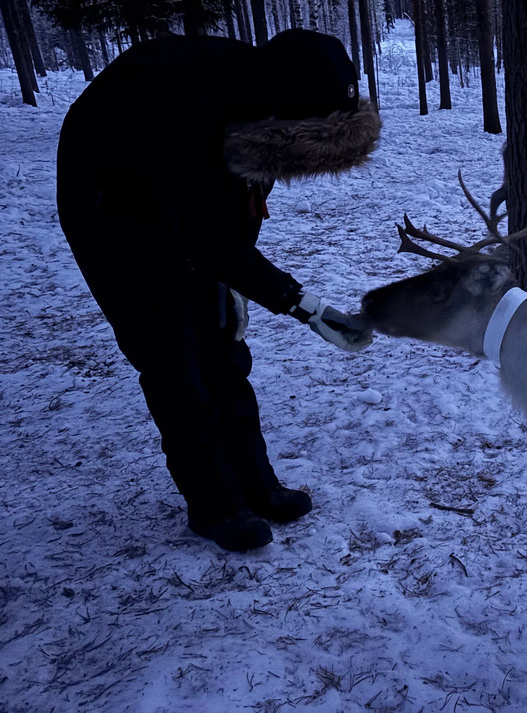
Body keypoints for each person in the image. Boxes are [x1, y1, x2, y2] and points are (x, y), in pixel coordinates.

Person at [56, 29, 380, 552]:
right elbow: (210, 237)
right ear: (281, 115)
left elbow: (237, 211)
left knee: (224, 351)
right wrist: (305, 306)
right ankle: (214, 506)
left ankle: (256, 485)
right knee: (174, 361)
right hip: (110, 209)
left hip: (184, 204)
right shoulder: (186, 108)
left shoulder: (261, 117)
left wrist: (232, 282)